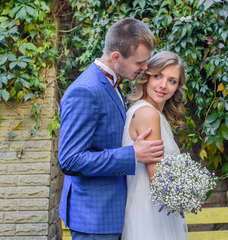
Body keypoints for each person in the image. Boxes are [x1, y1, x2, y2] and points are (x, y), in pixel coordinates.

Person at [58, 18, 165, 239]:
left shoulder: (112, 82)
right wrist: (132, 154)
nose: (145, 68)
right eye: (139, 63)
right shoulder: (85, 91)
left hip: (113, 214)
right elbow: (70, 159)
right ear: (116, 57)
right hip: (95, 219)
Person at [121, 51, 189, 240]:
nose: (163, 86)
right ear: (147, 77)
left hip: (148, 210)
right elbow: (159, 180)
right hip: (149, 216)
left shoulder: (144, 111)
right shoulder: (148, 114)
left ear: (177, 87)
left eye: (172, 81)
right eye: (158, 76)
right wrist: (191, 190)